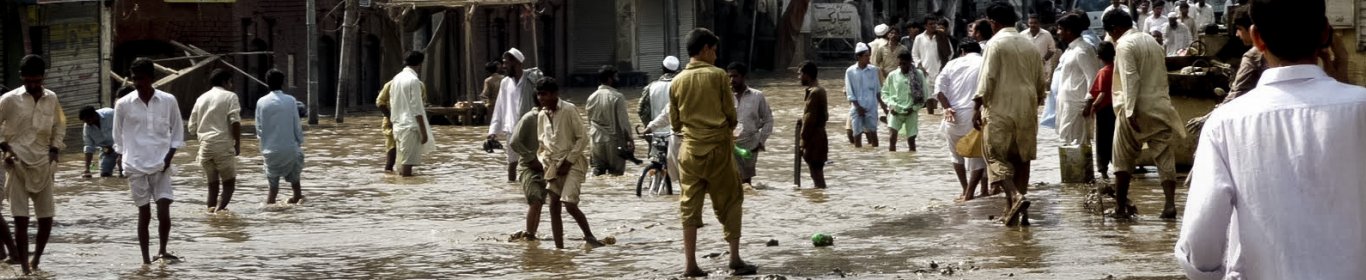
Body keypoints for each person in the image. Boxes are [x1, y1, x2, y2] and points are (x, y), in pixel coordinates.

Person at [1175, 0, 1366, 278]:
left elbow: (1201, 247)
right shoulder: (1360, 107)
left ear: (1257, 38)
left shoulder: (1224, 124)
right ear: (1326, 33)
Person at [670, 28, 756, 277]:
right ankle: (735, 258)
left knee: (688, 206)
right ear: (706, 49)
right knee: (731, 200)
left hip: (689, 151)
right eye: (714, 51)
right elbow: (731, 115)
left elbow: (675, 124)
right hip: (718, 149)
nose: (717, 56)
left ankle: (690, 265)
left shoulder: (676, 81)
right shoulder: (718, 76)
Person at [1103, 9, 1187, 219]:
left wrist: (1130, 111)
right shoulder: (1152, 42)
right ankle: (1169, 205)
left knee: (1122, 158)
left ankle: (1120, 208)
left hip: (1135, 108)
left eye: (1111, 33)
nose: (1111, 38)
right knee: (1164, 157)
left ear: (1115, 29)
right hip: (1159, 107)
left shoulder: (1124, 45)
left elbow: (1131, 78)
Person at [972, 2, 1046, 227]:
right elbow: (1041, 83)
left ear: (993, 23)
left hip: (1001, 108)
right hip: (1027, 108)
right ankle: (1016, 213)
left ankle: (1015, 196)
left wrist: (977, 106)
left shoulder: (995, 44)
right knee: (1022, 159)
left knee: (995, 157)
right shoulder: (1030, 45)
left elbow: (987, 79)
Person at [115, 57, 184, 264]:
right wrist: (120, 158)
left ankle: (162, 250)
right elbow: (117, 136)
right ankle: (145, 260)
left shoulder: (168, 100)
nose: (138, 83)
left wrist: (169, 158)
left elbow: (177, 131)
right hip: (135, 165)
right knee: (143, 213)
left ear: (152, 79)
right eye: (135, 79)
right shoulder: (123, 104)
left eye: (142, 79)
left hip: (161, 164)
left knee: (164, 210)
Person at [1, 55, 63, 274]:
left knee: (46, 218)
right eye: (29, 81)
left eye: (37, 81)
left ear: (43, 78)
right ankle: (25, 268)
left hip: (43, 164)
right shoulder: (9, 99)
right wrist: (5, 148)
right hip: (17, 164)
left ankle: (36, 260)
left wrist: (55, 151)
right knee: (21, 219)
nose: (33, 85)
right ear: (22, 78)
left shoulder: (52, 98)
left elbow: (58, 126)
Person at [534, 77, 605, 249]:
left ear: (554, 94)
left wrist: (569, 161)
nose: (541, 98)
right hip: (551, 164)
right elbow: (542, 143)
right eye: (539, 95)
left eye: (545, 94)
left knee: (569, 203)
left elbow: (582, 138)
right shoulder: (542, 115)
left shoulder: (568, 109)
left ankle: (589, 237)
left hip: (572, 163)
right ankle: (559, 248)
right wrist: (544, 162)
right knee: (553, 206)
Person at [937, 41, 988, 200]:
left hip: (952, 114)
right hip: (974, 113)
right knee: (979, 156)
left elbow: (938, 89)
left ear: (962, 51)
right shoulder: (983, 62)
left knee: (955, 154)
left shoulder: (951, 64)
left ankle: (965, 189)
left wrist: (947, 107)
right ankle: (972, 193)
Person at [187, 69, 242, 213]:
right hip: (222, 144)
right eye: (230, 82)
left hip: (205, 146)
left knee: (212, 186)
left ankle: (211, 215)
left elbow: (191, 128)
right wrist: (238, 144)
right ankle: (218, 214)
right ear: (225, 82)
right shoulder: (231, 97)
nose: (231, 85)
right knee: (229, 183)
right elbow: (235, 121)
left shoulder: (201, 98)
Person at [488, 48, 543, 182]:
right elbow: (500, 107)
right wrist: (493, 132)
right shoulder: (505, 83)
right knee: (512, 164)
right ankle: (512, 191)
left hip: (532, 128)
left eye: (506, 63)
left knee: (535, 162)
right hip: (512, 130)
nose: (504, 66)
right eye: (503, 63)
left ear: (517, 63)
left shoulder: (531, 79)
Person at [256, 69, 305, 205]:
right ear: (283, 83)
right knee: (296, 185)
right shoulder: (291, 101)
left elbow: (259, 129)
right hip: (290, 149)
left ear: (267, 83)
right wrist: (299, 143)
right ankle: (296, 200)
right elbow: (297, 126)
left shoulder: (261, 102)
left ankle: (270, 213)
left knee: (272, 190)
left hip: (270, 151)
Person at [1054, 14, 1104, 144]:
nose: (1058, 32)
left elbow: (1093, 78)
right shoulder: (1070, 50)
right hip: (1067, 102)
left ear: (1069, 30)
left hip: (1077, 104)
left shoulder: (1083, 50)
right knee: (1067, 141)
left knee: (1078, 143)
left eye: (1060, 29)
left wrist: (1088, 104)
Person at [384, 51, 435, 177]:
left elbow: (392, 102)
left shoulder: (396, 78)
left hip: (398, 125)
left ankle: (401, 191)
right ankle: (408, 192)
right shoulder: (414, 81)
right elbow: (417, 108)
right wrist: (424, 132)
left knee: (401, 162)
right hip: (410, 126)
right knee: (407, 165)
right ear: (420, 64)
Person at [509, 84, 546, 241]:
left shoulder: (551, 117)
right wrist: (531, 158)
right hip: (528, 167)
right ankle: (530, 235)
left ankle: (532, 235)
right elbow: (514, 142)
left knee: (540, 203)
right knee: (535, 200)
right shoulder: (529, 118)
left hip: (546, 166)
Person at [728, 62, 773, 185]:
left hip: (750, 145)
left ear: (743, 77)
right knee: (731, 180)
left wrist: (761, 141)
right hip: (729, 145)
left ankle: (748, 203)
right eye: (730, 76)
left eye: (735, 76)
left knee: (746, 182)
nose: (732, 80)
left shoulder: (757, 96)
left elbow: (768, 119)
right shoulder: (724, 96)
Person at [585, 65, 634, 176]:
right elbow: (624, 123)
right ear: (609, 79)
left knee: (598, 174)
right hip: (614, 142)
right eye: (616, 77)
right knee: (616, 175)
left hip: (595, 141)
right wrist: (630, 140)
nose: (618, 79)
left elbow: (589, 121)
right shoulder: (617, 97)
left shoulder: (591, 97)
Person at [880, 48, 928, 152]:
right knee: (892, 138)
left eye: (905, 64)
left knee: (911, 140)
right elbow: (884, 93)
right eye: (900, 63)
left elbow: (924, 95)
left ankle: (912, 162)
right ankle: (892, 160)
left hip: (911, 111)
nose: (902, 66)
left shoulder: (918, 74)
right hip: (895, 110)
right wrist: (890, 105)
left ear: (910, 62)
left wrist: (915, 108)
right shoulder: (893, 75)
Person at [1084, 41, 1118, 179]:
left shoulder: (1103, 72)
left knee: (1102, 141)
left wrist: (1093, 106)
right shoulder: (1117, 69)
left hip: (1104, 110)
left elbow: (1102, 93)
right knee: (1114, 139)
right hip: (1116, 108)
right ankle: (1117, 167)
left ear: (1099, 56)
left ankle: (1103, 170)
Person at [797, 61, 828, 189]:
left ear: (807, 75)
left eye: (800, 74)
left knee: (816, 172)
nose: (799, 78)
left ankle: (820, 197)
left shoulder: (815, 92)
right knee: (815, 172)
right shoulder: (818, 90)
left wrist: (802, 141)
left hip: (815, 138)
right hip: (818, 136)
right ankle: (819, 197)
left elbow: (809, 120)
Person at [845, 42, 882, 148]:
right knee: (857, 134)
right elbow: (850, 92)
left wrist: (884, 107)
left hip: (871, 106)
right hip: (857, 108)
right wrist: (858, 107)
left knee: (873, 133)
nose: (868, 58)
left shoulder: (874, 70)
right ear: (858, 57)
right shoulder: (850, 71)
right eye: (866, 56)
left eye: (869, 55)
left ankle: (875, 155)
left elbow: (877, 90)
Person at [1224, 5, 1263, 102]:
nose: (1237, 34)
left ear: (1252, 30)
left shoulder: (1252, 56)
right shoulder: (1275, 50)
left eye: (1239, 29)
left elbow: (1235, 96)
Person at [639, 56, 681, 134]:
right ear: (678, 71)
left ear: (662, 69)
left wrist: (648, 128)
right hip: (677, 135)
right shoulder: (682, 87)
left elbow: (641, 111)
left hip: (655, 134)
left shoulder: (650, 87)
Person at [912, 16, 952, 95]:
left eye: (935, 23)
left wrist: (944, 65)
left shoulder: (942, 36)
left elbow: (950, 52)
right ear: (925, 26)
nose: (933, 26)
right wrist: (920, 66)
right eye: (931, 24)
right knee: (928, 98)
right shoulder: (919, 38)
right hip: (925, 72)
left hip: (940, 71)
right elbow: (914, 54)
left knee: (940, 96)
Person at [80, 106, 120, 178]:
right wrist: (87, 169)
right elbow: (89, 147)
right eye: (85, 122)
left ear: (94, 115)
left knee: (125, 171)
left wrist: (120, 150)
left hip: (123, 147)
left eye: (88, 120)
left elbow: (126, 128)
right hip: (107, 151)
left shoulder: (111, 114)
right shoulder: (87, 127)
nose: (87, 124)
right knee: (105, 175)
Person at [1027, 14, 1059, 84]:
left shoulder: (1047, 34)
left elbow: (1052, 50)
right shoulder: (1022, 35)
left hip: (1043, 69)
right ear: (1028, 23)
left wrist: (1043, 60)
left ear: (1039, 23)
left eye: (1035, 23)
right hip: (1027, 69)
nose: (1033, 25)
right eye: (1031, 23)